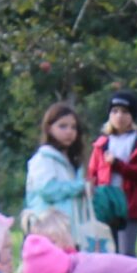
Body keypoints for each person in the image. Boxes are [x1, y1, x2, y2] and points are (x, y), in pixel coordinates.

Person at [88, 90, 137, 257]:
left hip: (130, 204)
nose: (119, 116)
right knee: (108, 250)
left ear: (132, 116)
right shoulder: (102, 144)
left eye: (125, 112)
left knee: (126, 252)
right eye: (115, 111)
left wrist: (118, 165)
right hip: (107, 203)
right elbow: (93, 172)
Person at [24, 102, 95, 246]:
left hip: (71, 232)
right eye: (62, 126)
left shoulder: (73, 162)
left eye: (73, 127)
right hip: (48, 231)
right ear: (49, 128)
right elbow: (48, 189)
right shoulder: (43, 159)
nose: (69, 131)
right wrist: (80, 186)